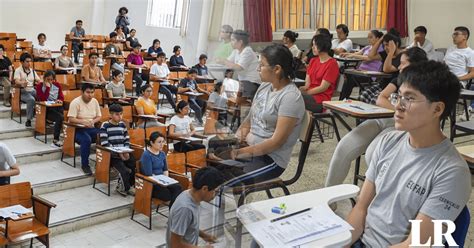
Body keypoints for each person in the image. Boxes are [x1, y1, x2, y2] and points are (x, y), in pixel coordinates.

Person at [347, 61, 471, 247]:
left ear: (437, 109)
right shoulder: (388, 142)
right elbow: (361, 208)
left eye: (410, 99)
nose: (398, 106)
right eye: (399, 96)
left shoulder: (452, 172)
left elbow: (415, 244)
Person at [325, 47, 428, 190]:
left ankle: (372, 200)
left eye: (403, 63)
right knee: (344, 147)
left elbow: (416, 115)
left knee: (373, 153)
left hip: (401, 126)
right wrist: (398, 110)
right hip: (382, 119)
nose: (398, 66)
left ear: (415, 65)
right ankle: (330, 198)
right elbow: (381, 98)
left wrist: (398, 111)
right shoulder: (399, 78)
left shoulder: (426, 86)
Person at [216, 44, 305, 188]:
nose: (258, 69)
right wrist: (237, 141)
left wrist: (238, 153)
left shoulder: (290, 98)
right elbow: (249, 120)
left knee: (222, 180)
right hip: (250, 150)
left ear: (277, 69)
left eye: (262, 65)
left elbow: (276, 143)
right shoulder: (265, 86)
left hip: (270, 159)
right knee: (208, 164)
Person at [166, 167, 225, 247]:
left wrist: (204, 235)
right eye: (216, 191)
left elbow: (189, 226)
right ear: (204, 188)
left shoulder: (190, 195)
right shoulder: (185, 209)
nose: (216, 195)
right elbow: (175, 244)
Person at [99, 104, 135, 196]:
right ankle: (123, 188)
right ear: (110, 115)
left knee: (133, 165)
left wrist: (126, 150)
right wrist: (119, 153)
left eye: (121, 114)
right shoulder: (105, 125)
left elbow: (127, 139)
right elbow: (105, 144)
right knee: (124, 170)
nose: (120, 116)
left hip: (123, 152)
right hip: (112, 155)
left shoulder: (123, 125)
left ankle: (129, 185)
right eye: (117, 114)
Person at [338, 30, 384, 100]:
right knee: (348, 76)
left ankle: (343, 99)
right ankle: (343, 99)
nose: (369, 39)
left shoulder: (381, 49)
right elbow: (358, 53)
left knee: (350, 77)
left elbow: (368, 58)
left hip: (370, 75)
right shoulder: (368, 47)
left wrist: (353, 56)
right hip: (360, 72)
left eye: (371, 37)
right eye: (368, 37)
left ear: (378, 38)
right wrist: (346, 54)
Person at [67, 83, 102, 175]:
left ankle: (104, 163)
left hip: (91, 127)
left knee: (105, 134)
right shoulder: (75, 102)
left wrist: (92, 122)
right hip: (77, 129)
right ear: (82, 92)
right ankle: (85, 165)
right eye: (87, 92)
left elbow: (99, 116)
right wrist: (83, 122)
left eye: (92, 92)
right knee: (86, 140)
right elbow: (71, 118)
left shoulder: (94, 101)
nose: (90, 95)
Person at [299, 34, 339, 113]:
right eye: (312, 45)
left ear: (322, 46)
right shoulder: (313, 60)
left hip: (321, 99)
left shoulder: (332, 63)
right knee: (290, 95)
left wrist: (306, 92)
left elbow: (322, 88)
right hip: (310, 94)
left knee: (293, 99)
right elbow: (307, 84)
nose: (312, 47)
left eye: (315, 45)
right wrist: (301, 89)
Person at [141, 131, 183, 206]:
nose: (162, 144)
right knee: (169, 195)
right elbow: (149, 175)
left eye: (163, 142)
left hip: (163, 181)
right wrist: (161, 182)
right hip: (152, 184)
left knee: (178, 188)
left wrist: (166, 181)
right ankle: (174, 211)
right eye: (159, 142)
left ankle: (173, 212)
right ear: (151, 143)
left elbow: (165, 169)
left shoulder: (162, 153)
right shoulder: (146, 155)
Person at [218, 30, 260, 99]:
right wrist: (222, 61)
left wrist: (224, 61)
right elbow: (227, 62)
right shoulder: (236, 51)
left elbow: (239, 67)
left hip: (251, 82)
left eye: (233, 40)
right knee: (223, 85)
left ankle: (232, 105)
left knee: (229, 90)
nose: (231, 42)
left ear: (240, 42)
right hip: (242, 81)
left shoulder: (247, 51)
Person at [35, 70, 64, 147]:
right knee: (60, 117)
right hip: (45, 110)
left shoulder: (57, 85)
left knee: (61, 112)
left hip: (56, 108)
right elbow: (42, 99)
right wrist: (47, 88)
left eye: (52, 79)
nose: (50, 81)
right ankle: (56, 139)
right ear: (44, 78)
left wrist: (59, 100)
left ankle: (63, 134)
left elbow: (61, 97)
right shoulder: (39, 86)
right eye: (48, 79)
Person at [14, 52, 41, 127]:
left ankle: (42, 117)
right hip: (22, 91)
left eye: (30, 61)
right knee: (31, 99)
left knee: (41, 96)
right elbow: (16, 81)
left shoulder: (32, 70)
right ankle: (28, 120)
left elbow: (38, 80)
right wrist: (22, 83)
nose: (29, 63)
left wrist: (39, 81)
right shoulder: (18, 70)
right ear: (22, 62)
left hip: (32, 90)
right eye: (27, 61)